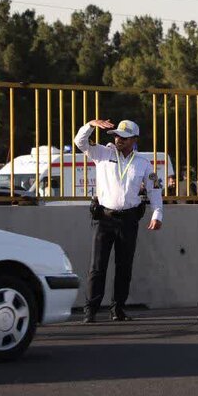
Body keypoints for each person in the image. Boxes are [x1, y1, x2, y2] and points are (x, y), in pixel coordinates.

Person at [74, 118, 163, 323]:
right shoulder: (102, 153)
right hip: (104, 218)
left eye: (123, 137)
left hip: (129, 220)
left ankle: (118, 310)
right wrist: (89, 125)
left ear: (134, 139)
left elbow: (155, 189)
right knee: (97, 267)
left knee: (124, 267)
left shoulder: (143, 163)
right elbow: (80, 142)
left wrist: (157, 214)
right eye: (116, 135)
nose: (118, 139)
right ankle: (91, 310)